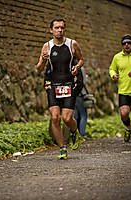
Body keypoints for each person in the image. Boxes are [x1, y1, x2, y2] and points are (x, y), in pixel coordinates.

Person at [37, 18, 84, 159]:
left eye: (62, 28)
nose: (59, 30)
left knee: (67, 118)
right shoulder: (46, 46)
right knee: (55, 117)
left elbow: (81, 59)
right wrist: (44, 60)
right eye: (57, 28)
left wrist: (77, 67)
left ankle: (74, 131)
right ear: (51, 30)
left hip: (68, 83)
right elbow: (39, 69)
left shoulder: (72, 44)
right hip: (52, 84)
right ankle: (62, 148)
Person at [74, 67, 88, 140]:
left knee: (75, 116)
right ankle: (82, 135)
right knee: (83, 115)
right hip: (80, 94)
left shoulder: (68, 67)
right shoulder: (80, 68)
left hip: (71, 95)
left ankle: (75, 135)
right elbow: (84, 81)